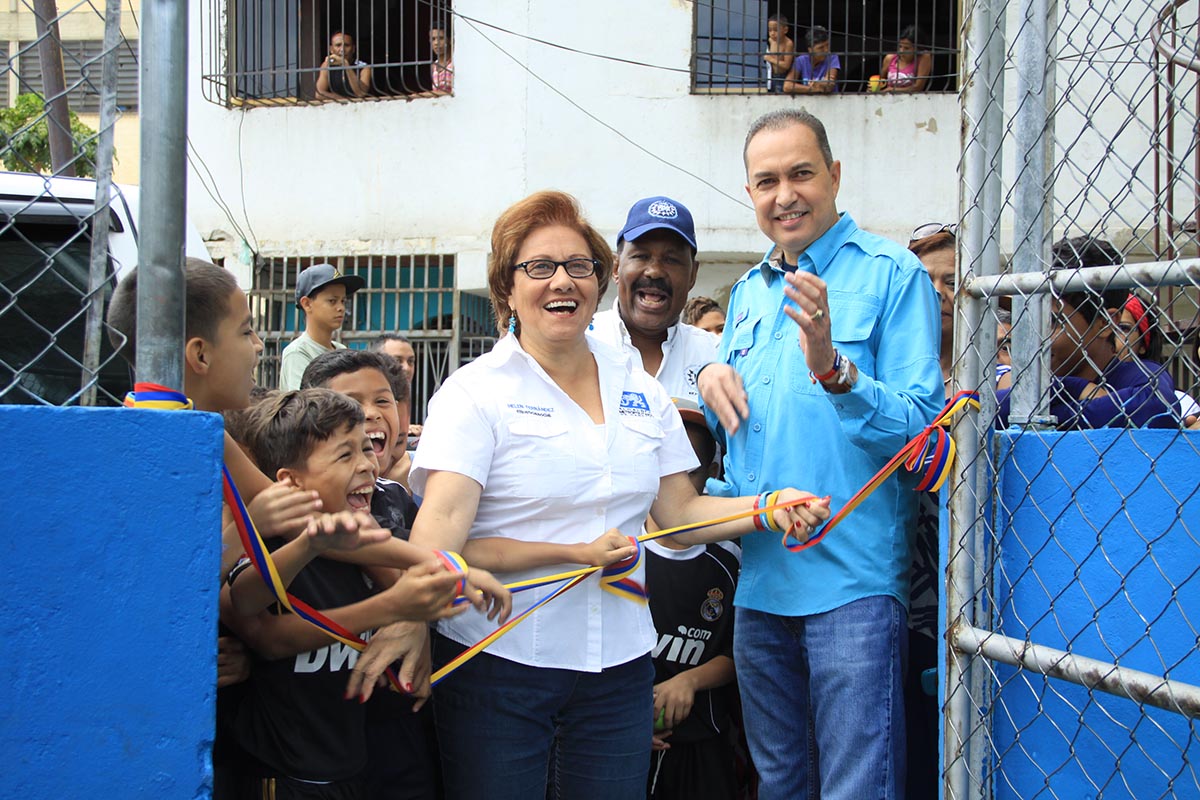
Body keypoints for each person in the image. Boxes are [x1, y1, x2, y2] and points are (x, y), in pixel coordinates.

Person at [359, 190, 827, 800]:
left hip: (619, 669)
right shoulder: (474, 393)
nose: (563, 281)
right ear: (507, 287)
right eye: (540, 267)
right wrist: (409, 620)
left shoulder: (637, 385)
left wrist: (769, 507)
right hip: (498, 663)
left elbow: (679, 516)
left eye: (579, 267)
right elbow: (443, 523)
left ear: (599, 282)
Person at [698, 109, 944, 799]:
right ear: (749, 195)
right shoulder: (746, 294)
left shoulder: (893, 274)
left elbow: (924, 439)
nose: (785, 195)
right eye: (766, 181)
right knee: (778, 784)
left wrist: (836, 369)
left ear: (835, 176)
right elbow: (747, 446)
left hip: (854, 590)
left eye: (801, 174)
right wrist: (709, 380)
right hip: (761, 586)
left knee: (855, 788)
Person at [646, 399, 740, 800]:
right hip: (622, 736)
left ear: (711, 475)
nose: (677, 483)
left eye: (690, 469)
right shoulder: (618, 553)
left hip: (704, 740)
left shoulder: (729, 560)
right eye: (666, 469)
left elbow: (740, 652)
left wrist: (688, 681)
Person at [996, 236, 1179, 429]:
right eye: (1026, 320)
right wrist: (1070, 387)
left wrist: (1045, 415)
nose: (1032, 337)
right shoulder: (1030, 378)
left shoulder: (1136, 377)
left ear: (1104, 323)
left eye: (1050, 322)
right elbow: (983, 410)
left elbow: (1155, 408)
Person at [589, 196, 719, 403]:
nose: (655, 271)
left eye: (671, 260)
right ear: (616, 268)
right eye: (641, 256)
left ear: (693, 275)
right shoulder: (581, 343)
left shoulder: (717, 354)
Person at [1114, 292, 1200, 425]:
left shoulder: (1182, 403)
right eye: (1105, 325)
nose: (1110, 335)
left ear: (1143, 344)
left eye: (1123, 328)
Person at [280, 263, 365, 391]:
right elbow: (305, 404)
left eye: (343, 301)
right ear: (307, 304)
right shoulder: (298, 353)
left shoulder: (341, 350)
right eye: (332, 301)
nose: (341, 308)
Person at [909, 222, 956, 385]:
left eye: (952, 283)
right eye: (924, 282)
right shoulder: (880, 372)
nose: (937, 292)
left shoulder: (998, 381)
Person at [783, 26, 840, 95]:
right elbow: (787, 86)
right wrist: (813, 89)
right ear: (810, 50)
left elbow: (829, 85)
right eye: (821, 48)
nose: (826, 50)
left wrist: (820, 84)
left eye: (827, 45)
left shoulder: (832, 57)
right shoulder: (801, 61)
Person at [316, 31, 372, 100]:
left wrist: (346, 65)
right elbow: (319, 94)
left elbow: (361, 93)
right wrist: (344, 100)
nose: (342, 49)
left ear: (353, 49)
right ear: (331, 49)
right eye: (338, 45)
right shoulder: (327, 66)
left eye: (347, 45)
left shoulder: (364, 67)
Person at [881, 25, 932, 93]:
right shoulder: (890, 58)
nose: (901, 51)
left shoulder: (923, 57)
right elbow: (881, 82)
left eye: (907, 48)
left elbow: (918, 87)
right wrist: (872, 89)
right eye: (900, 46)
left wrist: (892, 90)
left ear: (917, 48)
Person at [763, 14, 795, 93]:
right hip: (770, 75)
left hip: (782, 77)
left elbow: (786, 65)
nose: (772, 33)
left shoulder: (788, 43)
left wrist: (770, 59)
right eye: (770, 30)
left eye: (776, 30)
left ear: (785, 30)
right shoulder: (771, 40)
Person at [430, 25, 453, 94]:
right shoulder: (433, 66)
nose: (436, 43)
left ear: (449, 40)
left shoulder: (454, 64)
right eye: (433, 39)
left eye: (441, 38)